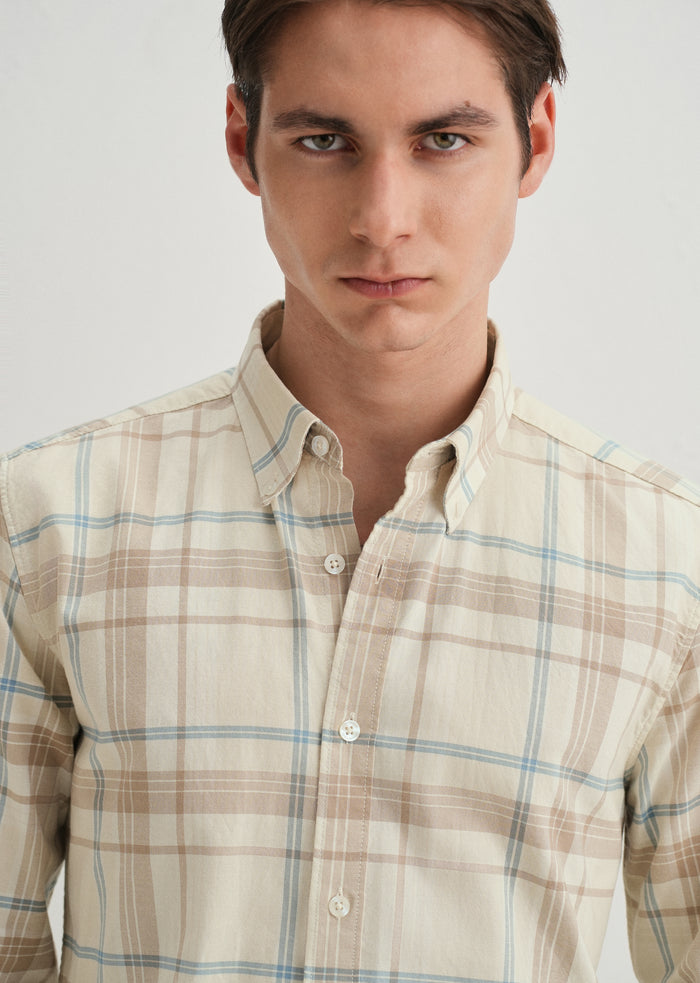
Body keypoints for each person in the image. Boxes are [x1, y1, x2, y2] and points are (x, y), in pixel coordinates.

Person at [1, 0, 698, 980]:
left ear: (533, 139)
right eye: (325, 139)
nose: (383, 218)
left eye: (443, 139)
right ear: (244, 141)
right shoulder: (48, 524)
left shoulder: (666, 563)